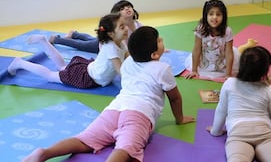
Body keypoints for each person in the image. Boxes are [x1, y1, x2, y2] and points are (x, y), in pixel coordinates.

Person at [21, 26, 195, 162]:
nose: (162, 40)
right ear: (155, 54)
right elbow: (175, 97)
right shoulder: (162, 68)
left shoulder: (127, 63)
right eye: (159, 40)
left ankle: (45, 152)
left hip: (114, 109)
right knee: (125, 148)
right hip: (139, 114)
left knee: (84, 139)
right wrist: (180, 119)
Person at [208, 46, 271, 162]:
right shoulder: (268, 89)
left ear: (241, 66)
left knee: (237, 158)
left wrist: (215, 131)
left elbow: (221, 110)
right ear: (265, 71)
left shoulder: (229, 84)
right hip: (264, 133)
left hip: (239, 134)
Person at [8, 13, 129, 89]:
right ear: (110, 33)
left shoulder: (121, 43)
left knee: (62, 67)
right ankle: (20, 63)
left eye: (125, 25)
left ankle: (44, 41)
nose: (126, 29)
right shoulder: (111, 48)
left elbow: (130, 59)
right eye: (122, 27)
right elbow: (122, 71)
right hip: (87, 77)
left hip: (89, 69)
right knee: (51, 76)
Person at [49, 0, 143, 53]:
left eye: (129, 6)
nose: (127, 8)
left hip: (104, 41)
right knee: (80, 45)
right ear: (117, 14)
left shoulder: (139, 25)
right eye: (122, 8)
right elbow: (124, 48)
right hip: (102, 45)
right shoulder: (119, 28)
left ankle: (74, 33)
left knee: (90, 38)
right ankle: (56, 39)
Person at [184, 0, 241, 80]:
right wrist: (194, 70)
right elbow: (197, 49)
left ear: (223, 16)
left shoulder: (227, 31)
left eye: (218, 14)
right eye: (211, 14)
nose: (214, 17)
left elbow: (229, 52)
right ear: (205, 15)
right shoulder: (200, 29)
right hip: (205, 60)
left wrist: (228, 74)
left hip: (221, 60)